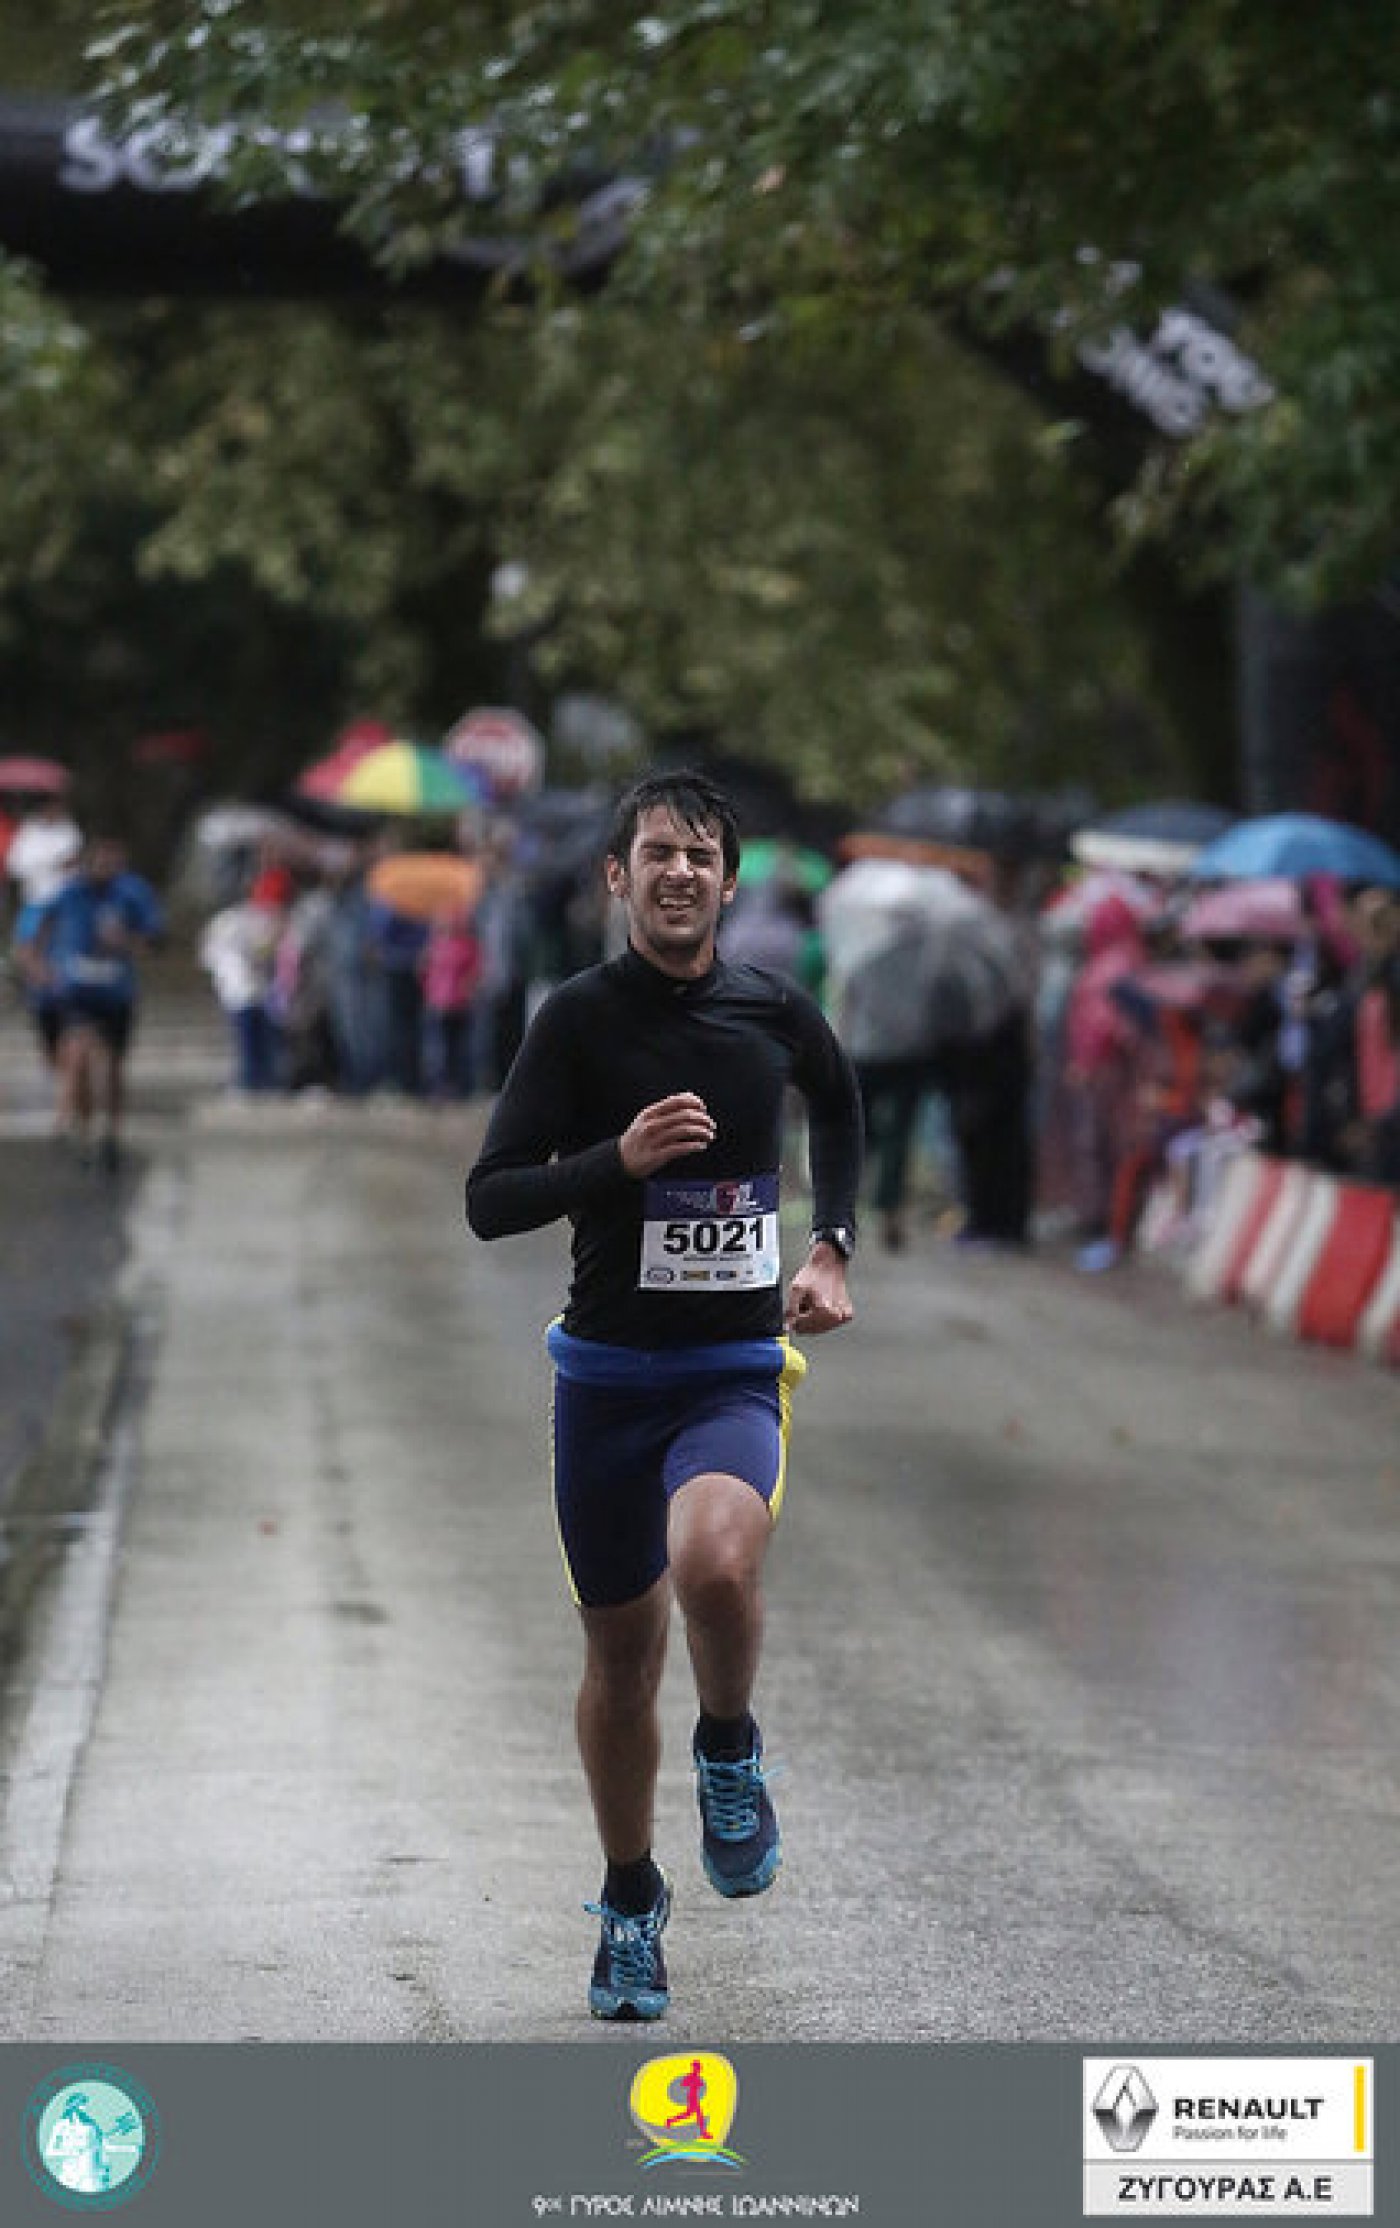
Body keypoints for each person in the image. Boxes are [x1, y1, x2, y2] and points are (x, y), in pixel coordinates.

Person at [465, 770, 862, 2023]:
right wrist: (615, 1160)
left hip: (730, 1368)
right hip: (604, 1379)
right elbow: (490, 1197)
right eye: (656, 852)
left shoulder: (771, 1008)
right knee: (621, 1660)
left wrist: (831, 1243)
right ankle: (630, 1898)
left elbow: (838, 1097)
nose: (678, 871)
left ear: (727, 881)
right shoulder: (575, 1020)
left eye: (699, 853)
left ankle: (728, 1744)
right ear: (617, 877)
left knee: (714, 1564)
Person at [15, 833, 164, 1172]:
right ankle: (80, 1125)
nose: (106, 869)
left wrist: (127, 942)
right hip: (76, 992)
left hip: (115, 991)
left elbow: (154, 939)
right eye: (101, 862)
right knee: (77, 1055)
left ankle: (111, 1131)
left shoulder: (132, 893)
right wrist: (37, 966)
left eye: (114, 863)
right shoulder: (68, 893)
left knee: (113, 1065)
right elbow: (35, 929)